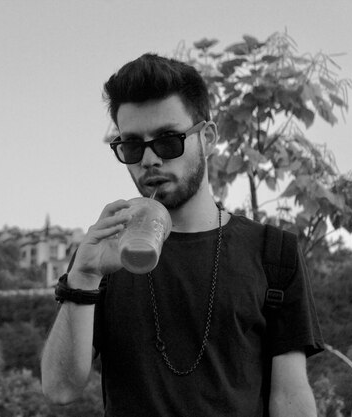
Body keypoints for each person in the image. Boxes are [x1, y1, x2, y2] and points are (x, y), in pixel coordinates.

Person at [40, 53, 324, 416]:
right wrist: (83, 276)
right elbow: (60, 389)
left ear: (207, 138)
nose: (150, 160)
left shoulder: (273, 252)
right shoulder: (104, 254)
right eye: (131, 146)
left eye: (168, 140)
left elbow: (290, 398)